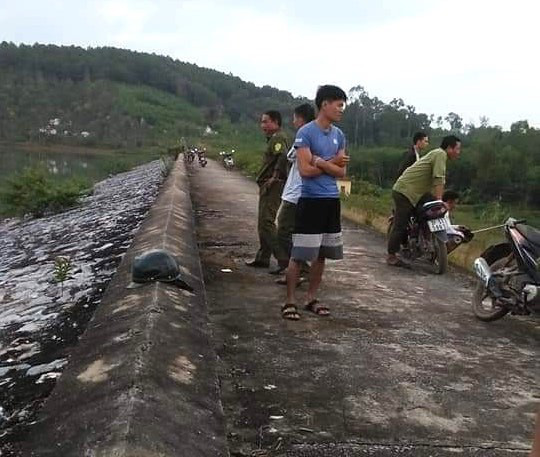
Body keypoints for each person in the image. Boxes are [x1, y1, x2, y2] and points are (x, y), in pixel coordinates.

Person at [283, 85, 349, 320]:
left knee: (321, 254)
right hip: (310, 200)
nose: (341, 110)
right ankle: (290, 300)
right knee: (299, 254)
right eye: (338, 105)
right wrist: (329, 163)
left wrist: (321, 161)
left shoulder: (339, 135)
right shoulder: (306, 133)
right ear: (324, 104)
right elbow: (305, 170)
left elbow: (341, 173)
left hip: (331, 201)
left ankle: (311, 297)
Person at [387, 135, 462, 267]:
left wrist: (438, 201)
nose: (458, 152)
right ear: (449, 148)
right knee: (401, 224)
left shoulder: (438, 155)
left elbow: (437, 182)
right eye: (457, 149)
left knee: (429, 212)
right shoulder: (440, 154)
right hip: (405, 191)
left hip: (418, 192)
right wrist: (439, 201)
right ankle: (391, 256)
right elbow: (438, 178)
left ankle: (425, 238)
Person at [272, 103, 316, 276]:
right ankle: (296, 268)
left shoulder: (305, 135)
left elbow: (290, 156)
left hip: (297, 192)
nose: (293, 121)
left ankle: (299, 268)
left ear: (301, 118)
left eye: (295, 118)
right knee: (294, 232)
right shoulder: (314, 135)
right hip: (300, 191)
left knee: (283, 230)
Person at [246, 111, 290, 268]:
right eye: (262, 122)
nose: (263, 125)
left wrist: (274, 176)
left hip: (274, 185)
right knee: (262, 222)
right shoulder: (273, 139)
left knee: (266, 221)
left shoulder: (278, 138)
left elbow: (283, 156)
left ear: (276, 122)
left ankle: (282, 258)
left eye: (266, 122)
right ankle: (263, 257)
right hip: (268, 185)